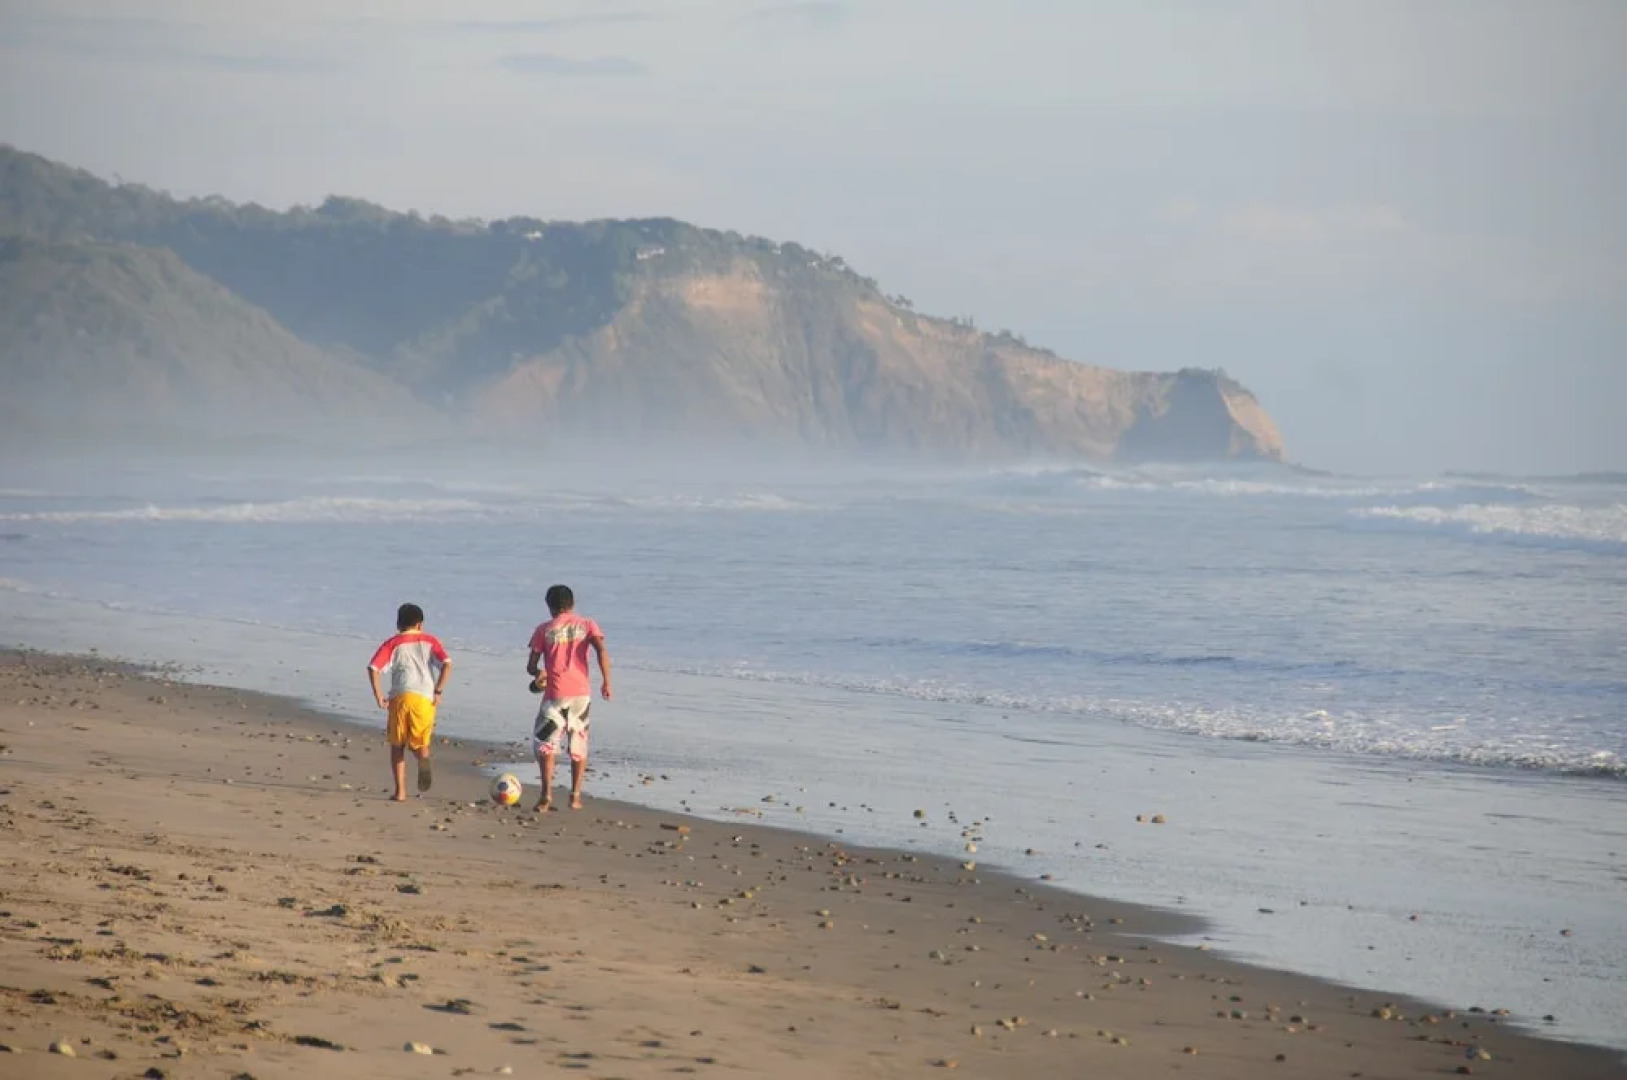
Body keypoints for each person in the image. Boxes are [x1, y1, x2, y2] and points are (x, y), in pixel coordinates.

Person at [526, 584, 612, 811]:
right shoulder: (587, 625)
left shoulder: (543, 629)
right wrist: (606, 681)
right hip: (581, 695)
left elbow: (531, 666)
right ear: (573, 604)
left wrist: (539, 674)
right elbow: (601, 650)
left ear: (549, 606)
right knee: (578, 742)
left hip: (555, 695)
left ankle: (546, 794)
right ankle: (575, 796)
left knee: (545, 744)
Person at [367, 603, 452, 802]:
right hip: (424, 698)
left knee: (397, 746)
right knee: (420, 741)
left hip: (401, 697)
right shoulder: (430, 641)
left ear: (398, 624)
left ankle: (400, 792)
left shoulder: (392, 643)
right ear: (420, 624)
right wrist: (438, 690)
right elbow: (447, 664)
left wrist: (378, 695)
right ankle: (422, 760)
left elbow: (373, 668)